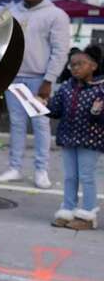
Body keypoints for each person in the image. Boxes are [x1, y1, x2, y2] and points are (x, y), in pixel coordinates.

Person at [0, 0, 71, 189]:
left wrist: (49, 80)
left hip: (39, 78)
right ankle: (15, 167)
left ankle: (41, 170)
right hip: (14, 77)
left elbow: (60, 50)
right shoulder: (12, 12)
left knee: (40, 124)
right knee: (17, 123)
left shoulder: (55, 15)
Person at [47, 46, 104, 230]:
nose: (75, 68)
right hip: (69, 138)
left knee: (86, 176)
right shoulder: (66, 87)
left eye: (80, 64)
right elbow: (55, 110)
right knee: (70, 176)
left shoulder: (101, 89)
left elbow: (100, 117)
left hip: (90, 140)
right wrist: (40, 105)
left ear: (93, 66)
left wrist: (97, 111)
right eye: (72, 65)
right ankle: (68, 209)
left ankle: (88, 214)